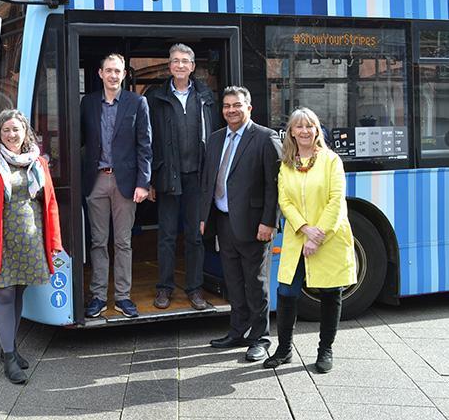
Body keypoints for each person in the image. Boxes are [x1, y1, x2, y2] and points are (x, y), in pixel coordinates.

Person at [0, 109, 62, 385]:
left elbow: (51, 203)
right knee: (5, 295)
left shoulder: (37, 162)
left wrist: (54, 242)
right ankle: (8, 355)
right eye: (6, 130)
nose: (11, 135)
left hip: (30, 236)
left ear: (25, 132)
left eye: (16, 129)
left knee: (19, 290)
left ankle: (10, 347)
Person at [264, 107, 357, 373]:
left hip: (329, 237)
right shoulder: (286, 164)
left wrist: (318, 235)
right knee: (286, 292)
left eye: (310, 126)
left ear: (317, 130)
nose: (304, 131)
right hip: (297, 237)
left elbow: (336, 201)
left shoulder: (331, 160)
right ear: (291, 132)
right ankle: (284, 350)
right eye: (299, 126)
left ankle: (325, 350)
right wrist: (304, 228)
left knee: (330, 293)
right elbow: (285, 200)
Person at [200, 86, 281, 362]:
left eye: (236, 105)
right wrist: (203, 217)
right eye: (226, 106)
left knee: (255, 283)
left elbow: (275, 185)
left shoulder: (265, 138)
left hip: (254, 224)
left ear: (249, 108)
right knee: (232, 280)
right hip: (223, 220)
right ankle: (238, 330)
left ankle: (261, 338)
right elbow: (207, 182)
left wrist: (269, 222)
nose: (231, 110)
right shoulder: (214, 139)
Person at [145, 43, 218, 310]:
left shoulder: (206, 96)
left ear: (192, 66)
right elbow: (148, 140)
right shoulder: (156, 97)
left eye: (184, 61)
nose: (179, 65)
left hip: (197, 178)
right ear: (169, 65)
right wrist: (150, 179)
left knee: (195, 236)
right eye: (175, 61)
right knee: (165, 235)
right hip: (167, 176)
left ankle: (195, 289)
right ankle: (164, 288)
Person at [80, 54, 151, 319]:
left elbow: (146, 145)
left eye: (117, 71)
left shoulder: (137, 102)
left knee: (123, 242)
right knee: (98, 242)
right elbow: (77, 139)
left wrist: (143, 183)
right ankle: (98, 296)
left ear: (124, 74)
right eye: (108, 70)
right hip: (96, 180)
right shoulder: (87, 103)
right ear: (100, 73)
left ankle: (123, 296)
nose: (112, 75)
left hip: (126, 182)